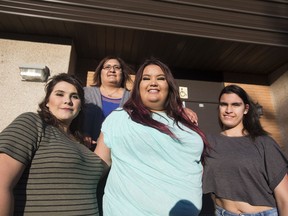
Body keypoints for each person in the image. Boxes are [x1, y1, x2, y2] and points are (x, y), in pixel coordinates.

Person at [95, 58, 209, 216]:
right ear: (138, 87)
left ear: (169, 85)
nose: (153, 82)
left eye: (160, 78)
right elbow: (98, 165)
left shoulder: (185, 122)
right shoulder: (120, 118)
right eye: (146, 78)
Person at [0, 73, 103, 215]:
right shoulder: (32, 123)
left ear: (80, 107)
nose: (68, 100)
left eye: (75, 96)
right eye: (60, 94)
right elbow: (2, 185)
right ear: (47, 101)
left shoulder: (80, 142)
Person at [203, 84, 288, 216]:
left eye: (236, 105)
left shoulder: (264, 142)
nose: (228, 110)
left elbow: (284, 197)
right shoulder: (209, 142)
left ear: (246, 109)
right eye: (223, 104)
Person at [83, 56, 133, 150]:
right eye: (107, 67)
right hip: (86, 151)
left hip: (119, 153)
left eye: (117, 67)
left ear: (122, 73)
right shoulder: (85, 93)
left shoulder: (132, 98)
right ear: (100, 72)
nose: (112, 70)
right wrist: (83, 133)